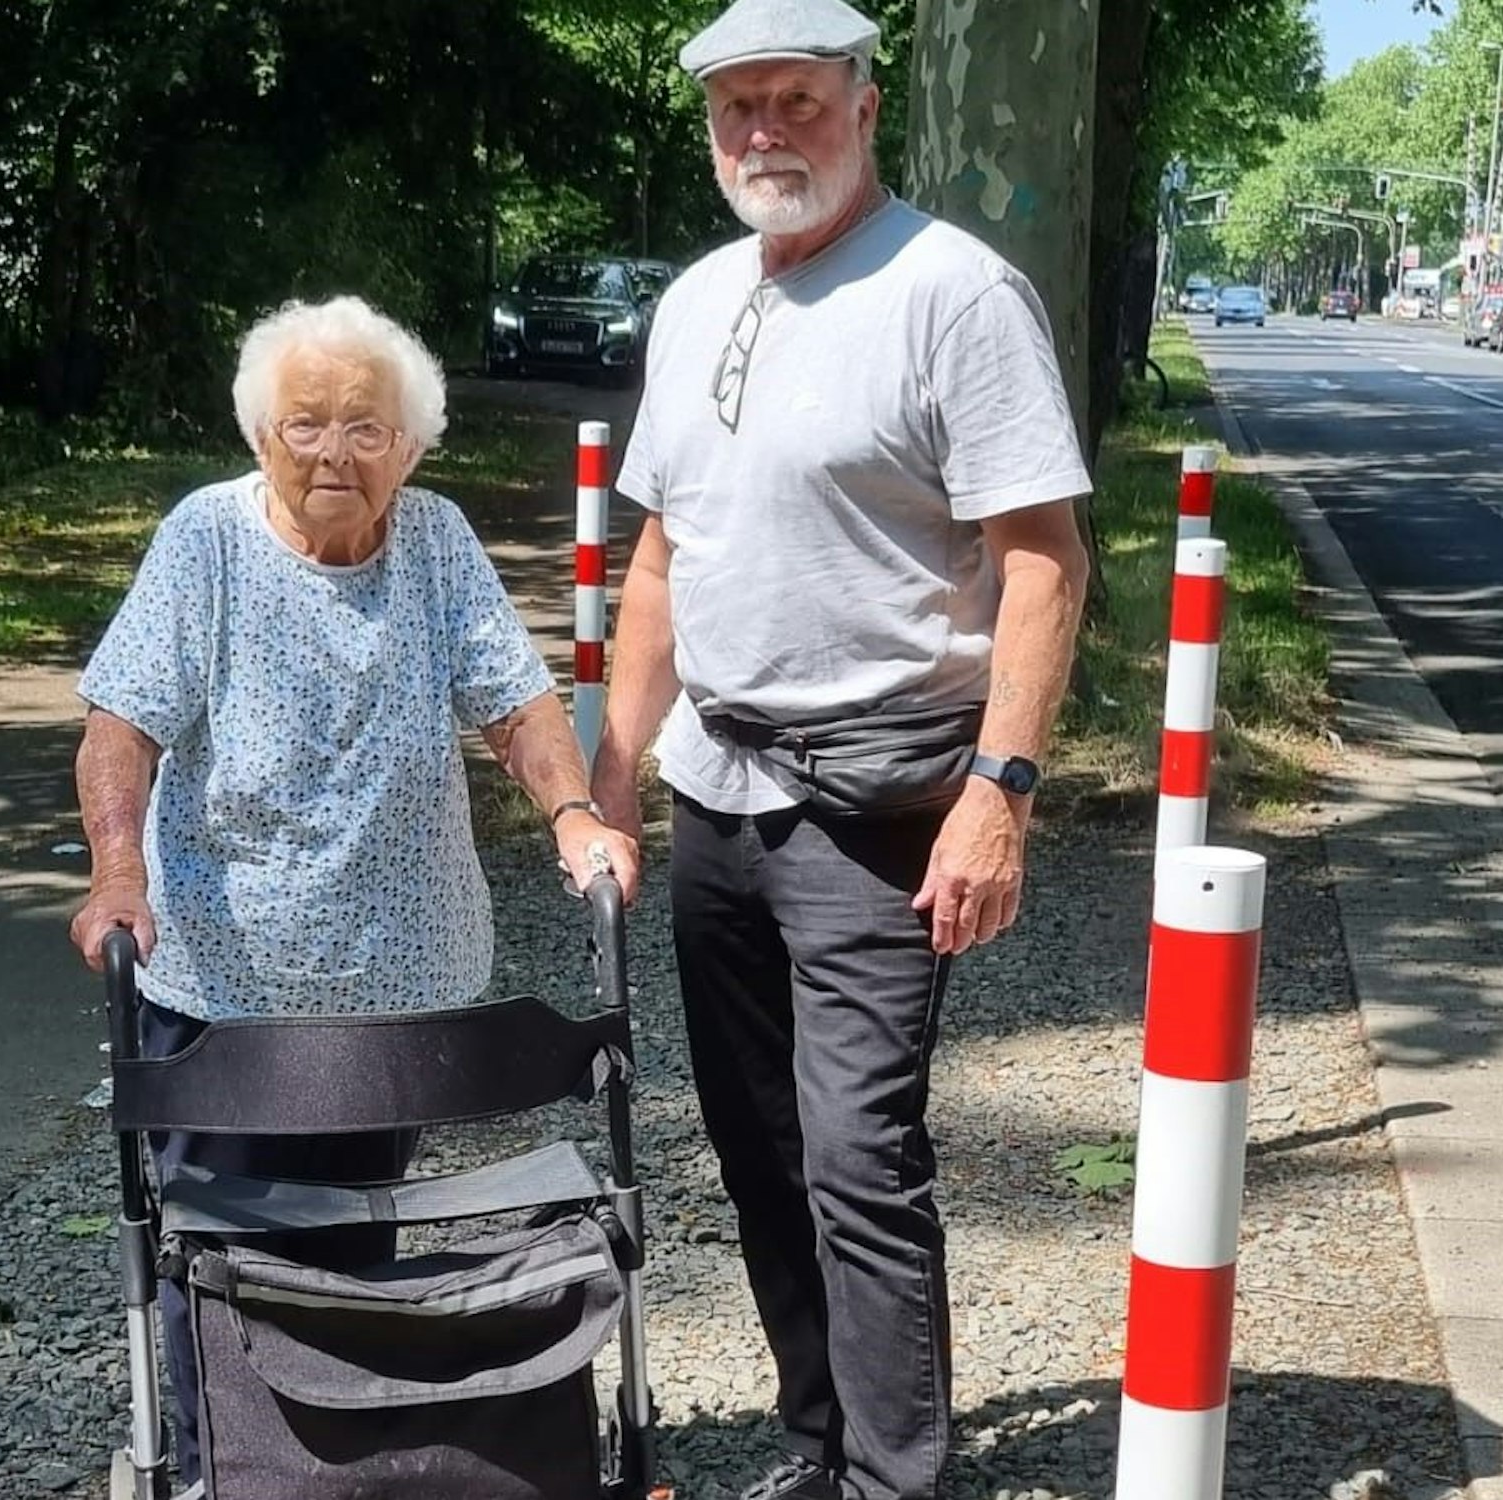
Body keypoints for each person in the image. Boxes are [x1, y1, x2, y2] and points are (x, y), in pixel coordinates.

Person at [589, 2, 1093, 1497]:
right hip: (715, 793)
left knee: (858, 1164)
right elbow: (663, 564)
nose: (764, 133)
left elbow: (1045, 562)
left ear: (865, 107)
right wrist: (608, 779)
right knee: (753, 1151)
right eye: (737, 108)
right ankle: (819, 1447)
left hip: (879, 797)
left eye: (795, 102)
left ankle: (895, 1480)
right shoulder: (694, 301)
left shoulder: (955, 293)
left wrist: (999, 796)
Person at [68, 294, 639, 1488]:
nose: (333, 450)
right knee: (220, 1245)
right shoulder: (206, 542)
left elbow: (514, 703)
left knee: (353, 1236)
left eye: (365, 426)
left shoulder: (432, 539)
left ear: (412, 444)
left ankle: (338, 1456)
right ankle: (221, 1457)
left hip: (401, 981)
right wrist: (118, 873)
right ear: (257, 434)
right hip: (226, 988)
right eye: (305, 423)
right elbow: (119, 725)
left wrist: (573, 810)